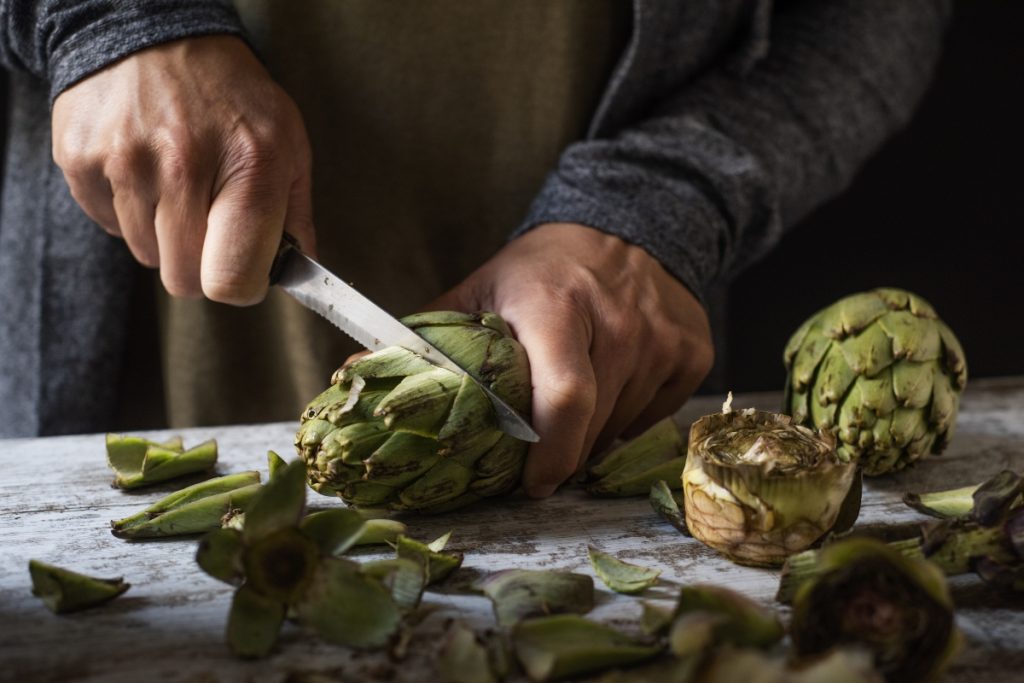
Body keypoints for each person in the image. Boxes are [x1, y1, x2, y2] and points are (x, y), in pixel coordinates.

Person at [0, 1, 950, 498]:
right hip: (129, 372)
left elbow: (876, 15)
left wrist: (659, 202)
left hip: (595, 368)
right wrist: (107, 14)